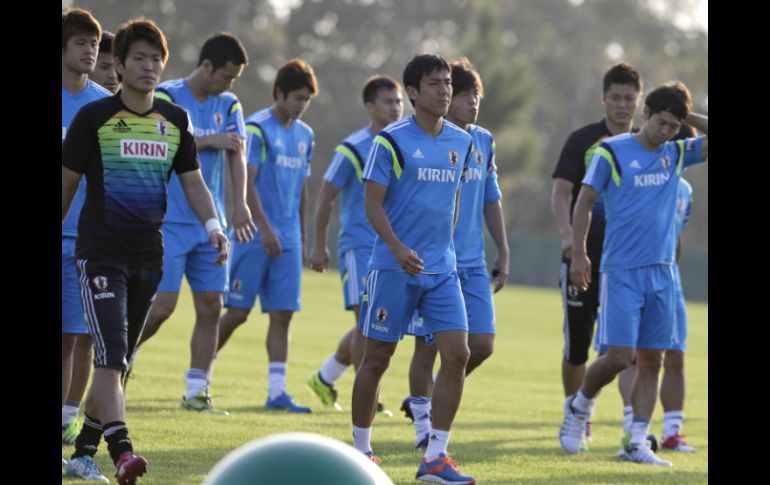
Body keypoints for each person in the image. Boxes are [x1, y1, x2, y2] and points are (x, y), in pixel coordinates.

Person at [62, 17, 230, 484]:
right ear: (118, 63)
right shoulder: (93, 118)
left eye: (156, 59)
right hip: (99, 256)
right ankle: (122, 451)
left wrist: (214, 226)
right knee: (111, 357)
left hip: (148, 259)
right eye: (139, 58)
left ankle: (82, 453)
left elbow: (193, 181)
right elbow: (67, 184)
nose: (149, 66)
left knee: (120, 361)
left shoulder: (176, 121)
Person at [559, 81, 708, 468]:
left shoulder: (675, 154)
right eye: (661, 123)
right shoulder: (612, 151)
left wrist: (683, 111)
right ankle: (580, 403)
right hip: (621, 271)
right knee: (618, 358)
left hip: (663, 274)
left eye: (674, 127)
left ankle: (636, 441)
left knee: (651, 361)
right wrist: (578, 253)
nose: (667, 132)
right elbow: (585, 201)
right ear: (646, 115)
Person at [350, 53, 475, 484]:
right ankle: (360, 454)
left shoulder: (462, 141)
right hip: (392, 268)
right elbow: (372, 202)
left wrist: (445, 250)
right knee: (377, 358)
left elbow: (453, 204)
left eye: (448, 83)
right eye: (435, 84)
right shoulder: (392, 141)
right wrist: (398, 248)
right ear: (414, 92)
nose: (445, 91)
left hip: (442, 270)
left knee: (458, 353)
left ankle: (435, 458)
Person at [135, 32, 254, 415]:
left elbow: (237, 152)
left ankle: (197, 391)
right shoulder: (168, 95)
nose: (228, 84)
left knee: (210, 306)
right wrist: (209, 139)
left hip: (210, 221)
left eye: (234, 79)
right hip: (167, 219)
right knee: (162, 306)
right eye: (226, 76)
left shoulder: (230, 103)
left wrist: (239, 206)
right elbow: (164, 141)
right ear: (206, 66)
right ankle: (122, 357)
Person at [400, 58, 509, 451]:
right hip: (433, 262)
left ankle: (426, 397)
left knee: (480, 346)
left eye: (475, 95)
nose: (471, 102)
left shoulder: (483, 141)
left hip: (473, 262)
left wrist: (504, 249)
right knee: (426, 348)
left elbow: (491, 198)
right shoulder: (425, 140)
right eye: (464, 95)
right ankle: (424, 428)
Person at [216, 59, 318, 413]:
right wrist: (266, 229)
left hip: (287, 239)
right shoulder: (257, 129)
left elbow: (302, 190)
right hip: (253, 235)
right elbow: (248, 183)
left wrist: (300, 236)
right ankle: (201, 372)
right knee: (237, 312)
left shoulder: (306, 135)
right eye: (297, 98)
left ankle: (277, 392)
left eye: (307, 100)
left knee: (283, 315)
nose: (301, 105)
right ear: (279, 93)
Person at [549, 62, 642, 443]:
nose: (622, 105)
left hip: (629, 264)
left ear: (639, 101)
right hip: (583, 261)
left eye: (629, 98)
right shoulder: (584, 140)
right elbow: (560, 192)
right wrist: (570, 239)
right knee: (577, 346)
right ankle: (576, 413)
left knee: (630, 351)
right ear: (603, 98)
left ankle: (633, 426)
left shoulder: (649, 142)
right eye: (615, 97)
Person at [306, 75, 403, 416]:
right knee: (368, 325)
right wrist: (319, 245)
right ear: (370, 107)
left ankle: (325, 376)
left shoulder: (405, 143)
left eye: (399, 102)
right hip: (359, 247)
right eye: (388, 101)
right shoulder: (352, 147)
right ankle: (370, 400)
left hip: (392, 249)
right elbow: (325, 196)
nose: (395, 107)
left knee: (379, 323)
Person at [611, 124, 698, 453]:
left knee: (674, 356)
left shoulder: (685, 190)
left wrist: (685, 110)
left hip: (667, 281)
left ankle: (673, 432)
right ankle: (632, 428)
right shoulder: (635, 177)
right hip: (629, 276)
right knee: (630, 357)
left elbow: (677, 236)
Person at [61, 7, 112, 466]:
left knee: (78, 339)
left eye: (94, 44)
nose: (91, 50)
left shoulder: (103, 107)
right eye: (81, 42)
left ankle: (66, 420)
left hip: (87, 240)